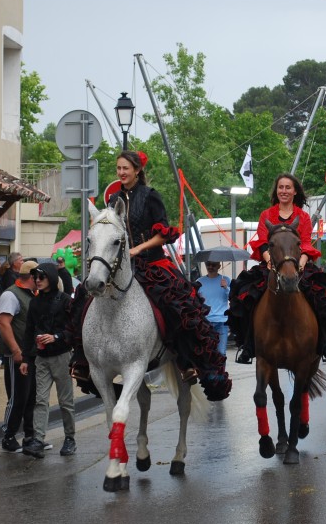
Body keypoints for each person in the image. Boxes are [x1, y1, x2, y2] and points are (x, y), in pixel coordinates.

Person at [67, 150, 231, 402]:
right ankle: (83, 361)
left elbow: (163, 234)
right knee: (83, 298)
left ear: (137, 170)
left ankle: (184, 361)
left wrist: (136, 249)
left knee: (179, 304)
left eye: (126, 168)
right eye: (118, 168)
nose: (121, 173)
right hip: (118, 265)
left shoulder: (151, 197)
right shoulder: (113, 199)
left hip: (151, 262)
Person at [229, 173, 326, 364]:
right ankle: (248, 345)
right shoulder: (266, 215)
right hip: (271, 265)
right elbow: (261, 242)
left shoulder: (303, 217)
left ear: (295, 191)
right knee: (245, 294)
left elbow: (307, 243)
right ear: (276, 191)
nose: (284, 191)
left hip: (299, 264)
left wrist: (301, 263)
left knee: (322, 295)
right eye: (280, 187)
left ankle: (324, 344)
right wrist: (268, 259)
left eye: (288, 187)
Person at [21, 262, 77, 458]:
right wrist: (26, 359)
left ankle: (70, 439)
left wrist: (57, 337)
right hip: (41, 358)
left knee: (65, 402)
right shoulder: (35, 302)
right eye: (36, 277)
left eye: (41, 277)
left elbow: (73, 328)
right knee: (40, 400)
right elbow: (29, 331)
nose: (37, 280)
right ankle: (38, 439)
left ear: (52, 278)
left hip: (61, 356)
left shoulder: (64, 301)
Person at [0, 260, 41, 454]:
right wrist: (16, 350)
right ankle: (8, 436)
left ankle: (29, 437)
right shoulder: (10, 295)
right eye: (39, 276)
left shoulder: (32, 294)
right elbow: (4, 324)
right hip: (18, 354)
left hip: (31, 354)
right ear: (32, 276)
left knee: (31, 396)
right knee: (18, 397)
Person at [197, 261, 231, 357]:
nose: (210, 267)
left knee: (221, 353)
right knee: (207, 352)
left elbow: (232, 298)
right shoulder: (199, 282)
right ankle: (210, 372)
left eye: (214, 265)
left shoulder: (226, 280)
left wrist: (226, 288)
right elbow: (195, 301)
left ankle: (220, 372)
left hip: (222, 322)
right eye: (208, 264)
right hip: (205, 322)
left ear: (219, 266)